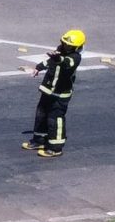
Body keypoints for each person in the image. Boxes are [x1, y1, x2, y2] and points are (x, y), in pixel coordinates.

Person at [25, 28, 84, 157]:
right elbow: (50, 61)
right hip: (48, 89)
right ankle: (39, 140)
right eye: (65, 43)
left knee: (55, 119)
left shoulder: (75, 57)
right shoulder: (60, 50)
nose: (66, 47)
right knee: (41, 114)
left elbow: (66, 63)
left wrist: (58, 59)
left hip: (60, 94)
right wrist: (38, 67)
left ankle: (55, 147)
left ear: (77, 47)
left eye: (70, 45)